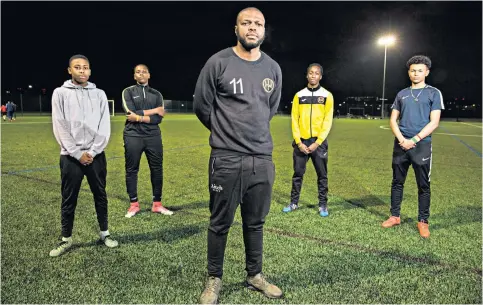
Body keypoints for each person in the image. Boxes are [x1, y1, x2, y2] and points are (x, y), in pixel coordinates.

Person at [193, 7, 283, 304]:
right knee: (220, 222)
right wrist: (226, 133)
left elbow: (269, 109)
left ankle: (254, 275)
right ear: (236, 29)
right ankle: (214, 279)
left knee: (255, 222)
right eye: (246, 23)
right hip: (227, 157)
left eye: (258, 24)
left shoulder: (273, 68)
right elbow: (202, 107)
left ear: (264, 30)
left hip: (261, 158)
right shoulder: (217, 63)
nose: (252, 28)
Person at [50, 54, 118, 257]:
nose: (82, 71)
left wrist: (94, 151)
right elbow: (60, 126)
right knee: (69, 199)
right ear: (69, 70)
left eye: (85, 67)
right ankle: (66, 239)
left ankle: (105, 234)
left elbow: (104, 126)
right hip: (71, 157)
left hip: (96, 156)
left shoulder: (99, 94)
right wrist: (78, 153)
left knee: (100, 195)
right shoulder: (60, 93)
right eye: (77, 67)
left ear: (90, 70)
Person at [381, 55, 444, 238]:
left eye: (419, 70)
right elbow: (393, 119)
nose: (416, 73)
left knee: (423, 185)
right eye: (413, 70)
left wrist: (414, 140)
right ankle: (394, 216)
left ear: (427, 72)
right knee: (397, 182)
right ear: (409, 72)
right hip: (401, 144)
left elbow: (434, 122)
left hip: (421, 145)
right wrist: (402, 139)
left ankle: (423, 221)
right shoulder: (402, 94)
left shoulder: (433, 93)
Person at [282, 63, 334, 217]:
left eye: (316, 73)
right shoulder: (299, 95)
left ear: (320, 76)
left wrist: (317, 142)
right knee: (298, 174)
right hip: (302, 142)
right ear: (307, 75)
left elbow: (327, 121)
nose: (313, 75)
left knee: (322, 175)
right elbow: (294, 119)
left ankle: (323, 205)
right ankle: (294, 202)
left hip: (319, 142)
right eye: (311, 73)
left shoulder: (327, 95)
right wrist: (299, 142)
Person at [121, 64, 172, 217]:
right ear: (134, 76)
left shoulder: (157, 94)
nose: (141, 74)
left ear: (149, 75)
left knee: (157, 169)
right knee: (132, 169)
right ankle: (134, 204)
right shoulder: (128, 92)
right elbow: (130, 113)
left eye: (144, 72)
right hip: (133, 135)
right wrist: (153, 111)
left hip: (153, 136)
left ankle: (157, 204)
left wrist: (139, 117)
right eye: (138, 72)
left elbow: (159, 118)